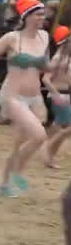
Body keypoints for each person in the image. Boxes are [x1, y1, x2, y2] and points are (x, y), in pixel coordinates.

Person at [0, 0, 49, 197]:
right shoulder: (12, 38)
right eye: (37, 14)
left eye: (43, 14)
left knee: (19, 143)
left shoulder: (44, 36)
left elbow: (46, 67)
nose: (42, 18)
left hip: (35, 96)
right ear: (26, 17)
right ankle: (18, 172)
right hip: (13, 95)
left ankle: (6, 183)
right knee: (40, 135)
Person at [43, 26, 71, 168]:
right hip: (58, 95)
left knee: (58, 127)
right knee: (67, 129)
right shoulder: (58, 58)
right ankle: (48, 151)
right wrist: (56, 94)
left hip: (65, 95)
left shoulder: (66, 58)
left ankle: (48, 153)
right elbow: (46, 79)